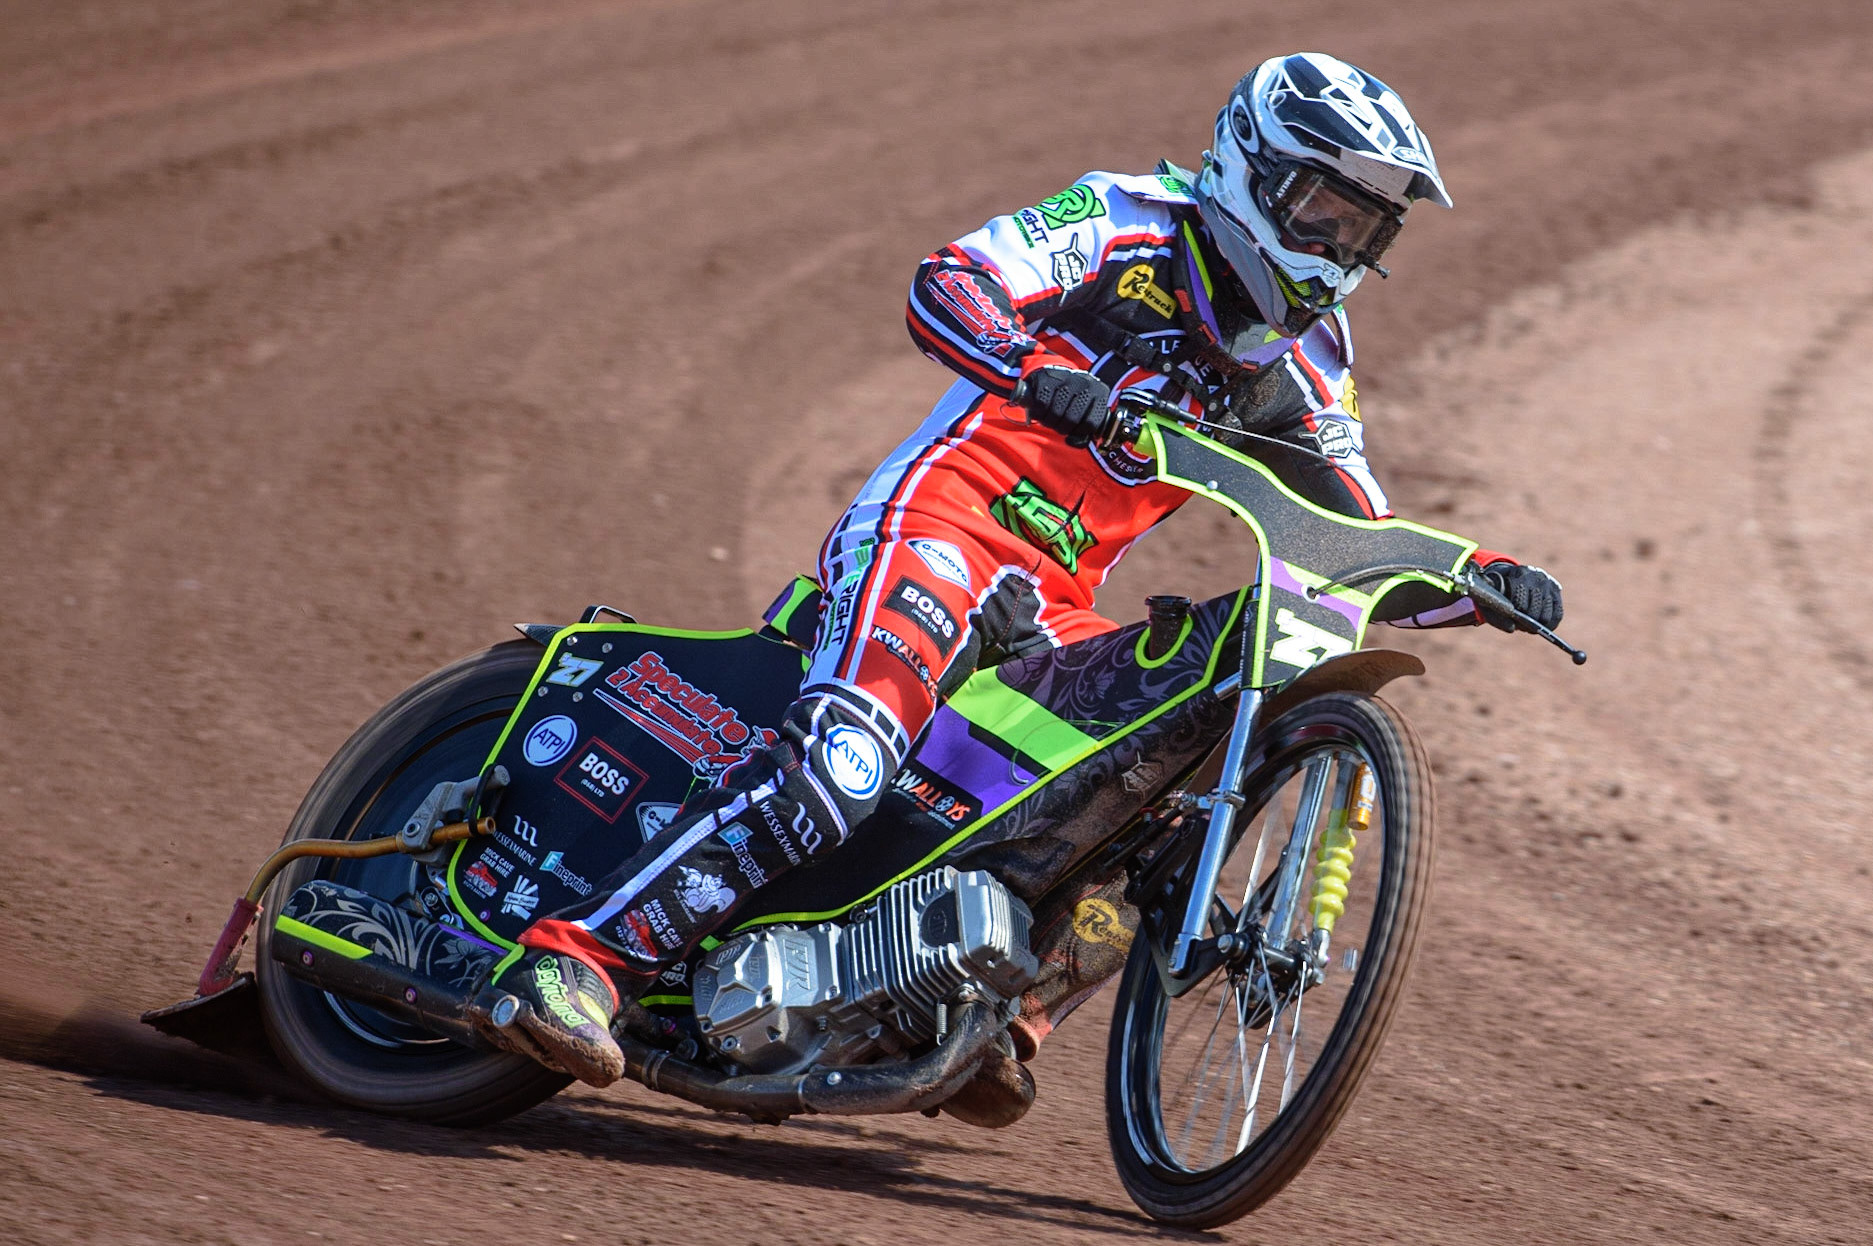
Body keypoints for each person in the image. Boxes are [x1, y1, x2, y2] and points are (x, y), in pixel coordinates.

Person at [484, 51, 1563, 1089]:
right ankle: (575, 961)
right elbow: (949, 282)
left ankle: (992, 1015)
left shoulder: (1312, 362)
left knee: (1160, 801)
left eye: (1365, 225)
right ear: (1253, 167)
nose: (1337, 242)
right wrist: (1032, 367)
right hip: (937, 527)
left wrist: (1477, 578)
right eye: (1322, 206)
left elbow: (1349, 534)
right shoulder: (1127, 222)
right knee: (843, 762)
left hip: (1046, 606)